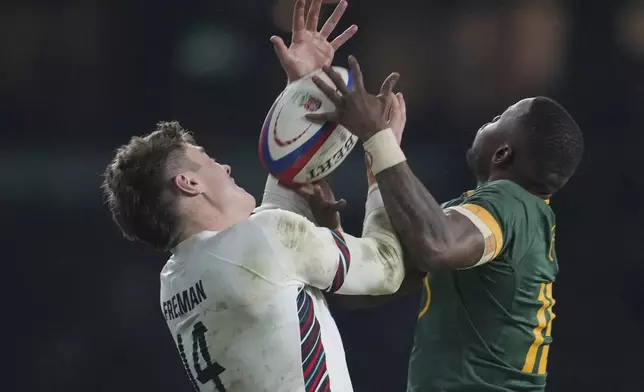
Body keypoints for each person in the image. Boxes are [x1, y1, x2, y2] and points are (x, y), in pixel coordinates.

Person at [101, 1, 407, 391]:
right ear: (189, 184)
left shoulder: (174, 282)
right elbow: (388, 267)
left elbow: (271, 240)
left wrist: (299, 90)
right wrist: (383, 161)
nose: (225, 167)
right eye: (207, 160)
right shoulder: (262, 241)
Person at [307, 59, 584, 391]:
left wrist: (377, 136)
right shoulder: (493, 218)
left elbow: (438, 246)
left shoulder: (511, 204)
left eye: (498, 119)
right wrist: (374, 167)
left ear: (502, 153)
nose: (487, 121)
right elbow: (371, 287)